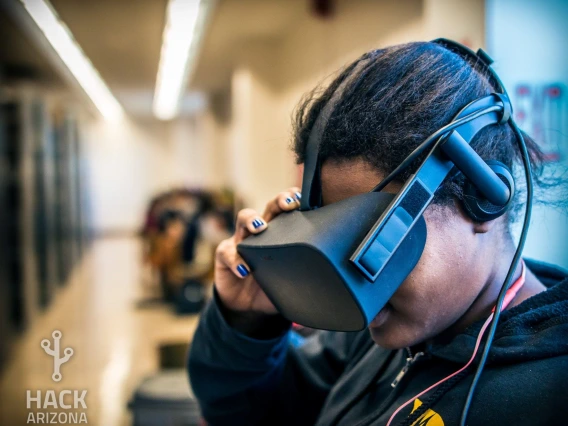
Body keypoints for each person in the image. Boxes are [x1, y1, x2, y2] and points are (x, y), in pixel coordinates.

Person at [187, 41, 568, 425]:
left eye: (374, 242)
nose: (357, 282)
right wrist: (245, 325)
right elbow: (257, 414)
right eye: (333, 228)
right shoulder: (380, 338)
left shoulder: (550, 396)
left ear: (482, 198)